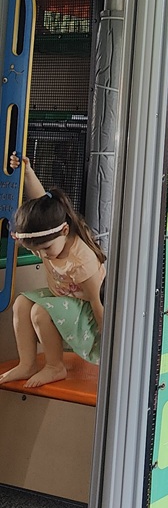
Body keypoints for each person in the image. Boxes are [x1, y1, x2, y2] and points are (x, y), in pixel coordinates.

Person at [0, 153, 105, 389]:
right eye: (36, 250)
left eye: (46, 248)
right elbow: (42, 203)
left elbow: (97, 304)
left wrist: (109, 345)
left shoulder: (81, 261)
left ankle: (55, 366)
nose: (43, 255)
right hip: (64, 300)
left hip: (86, 316)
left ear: (65, 230)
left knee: (40, 311)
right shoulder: (51, 235)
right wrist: (27, 172)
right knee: (21, 303)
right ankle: (27, 363)